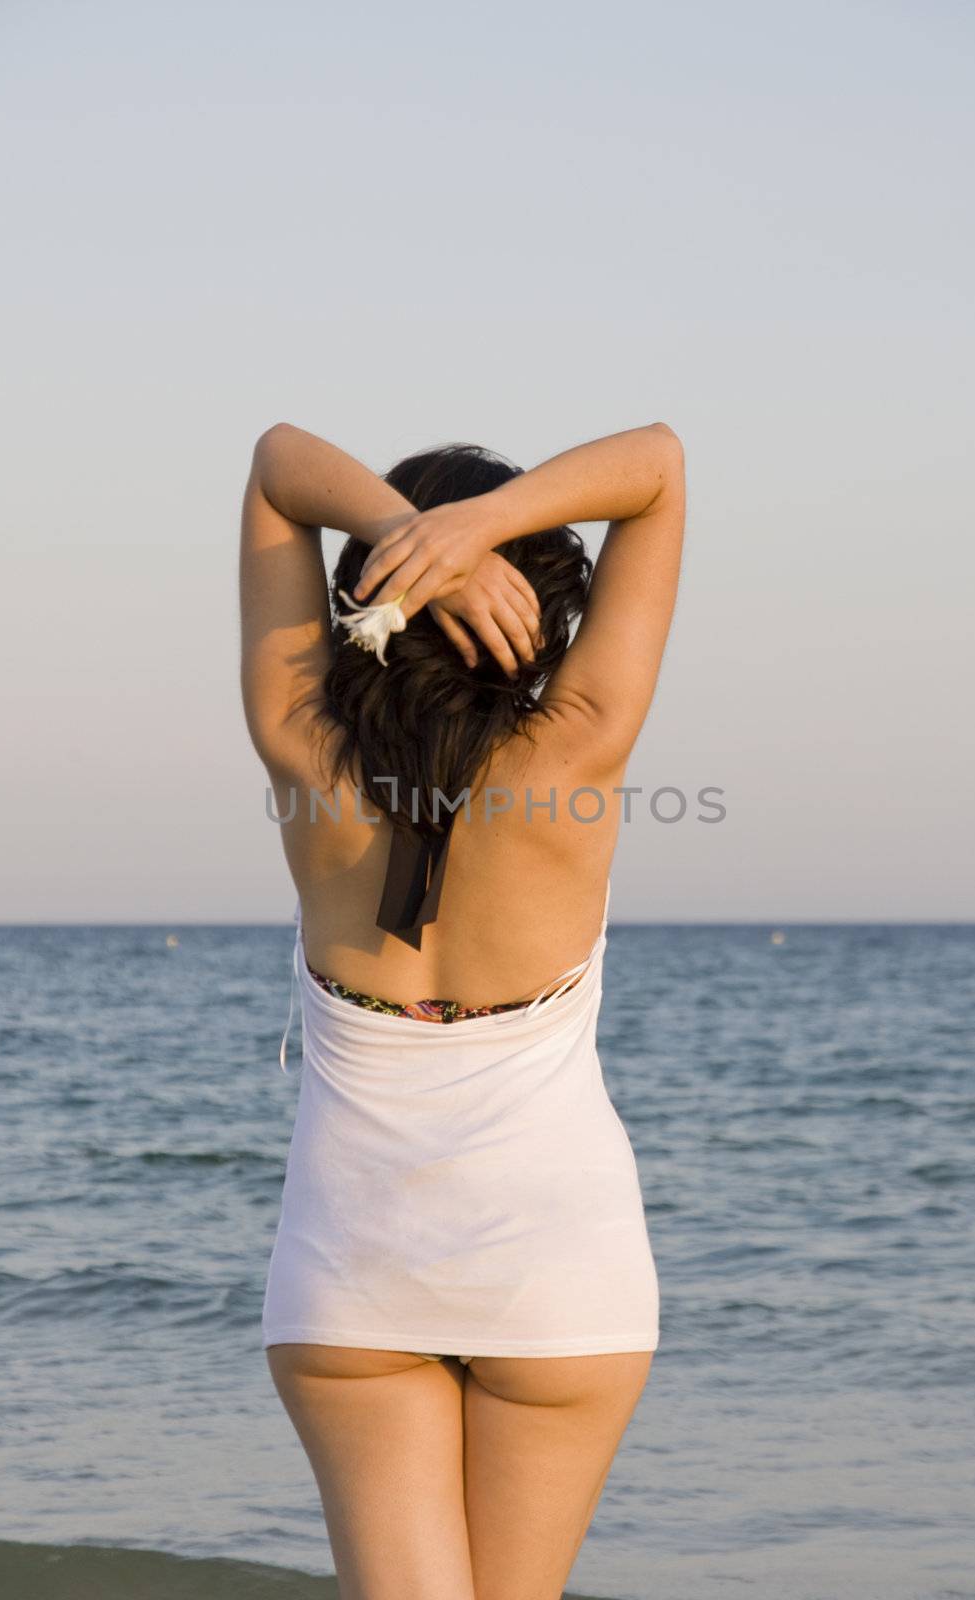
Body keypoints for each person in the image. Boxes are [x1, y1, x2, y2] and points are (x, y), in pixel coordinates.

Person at [239, 417, 686, 1600]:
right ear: (539, 617)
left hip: (350, 1278)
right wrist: (486, 528)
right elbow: (657, 467)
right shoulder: (576, 753)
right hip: (559, 1274)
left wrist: (406, 532)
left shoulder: (301, 748)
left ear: (367, 598)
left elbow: (280, 460)